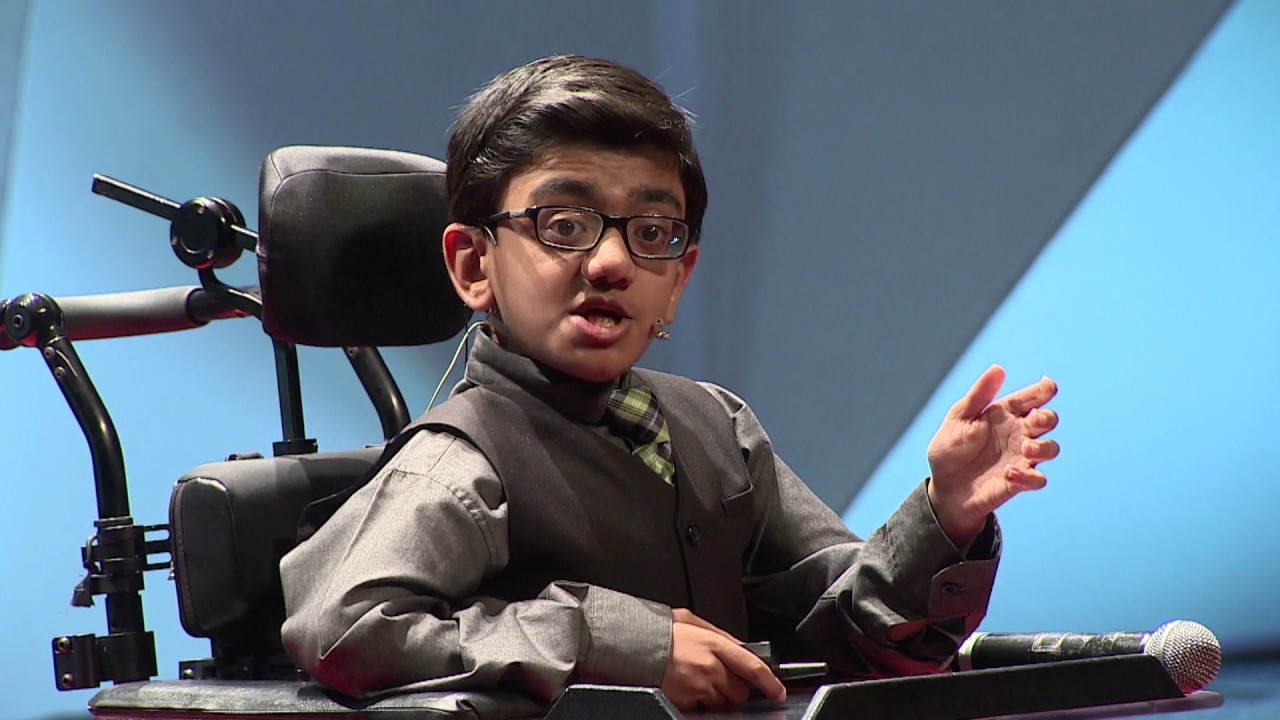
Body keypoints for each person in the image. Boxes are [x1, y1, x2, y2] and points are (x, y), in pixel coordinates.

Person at [279, 54, 1060, 712]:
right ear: (473, 264)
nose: (612, 263)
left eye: (651, 232)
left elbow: (853, 628)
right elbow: (344, 625)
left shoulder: (720, 429)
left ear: (679, 279)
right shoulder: (461, 464)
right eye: (564, 225)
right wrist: (621, 641)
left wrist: (944, 514)